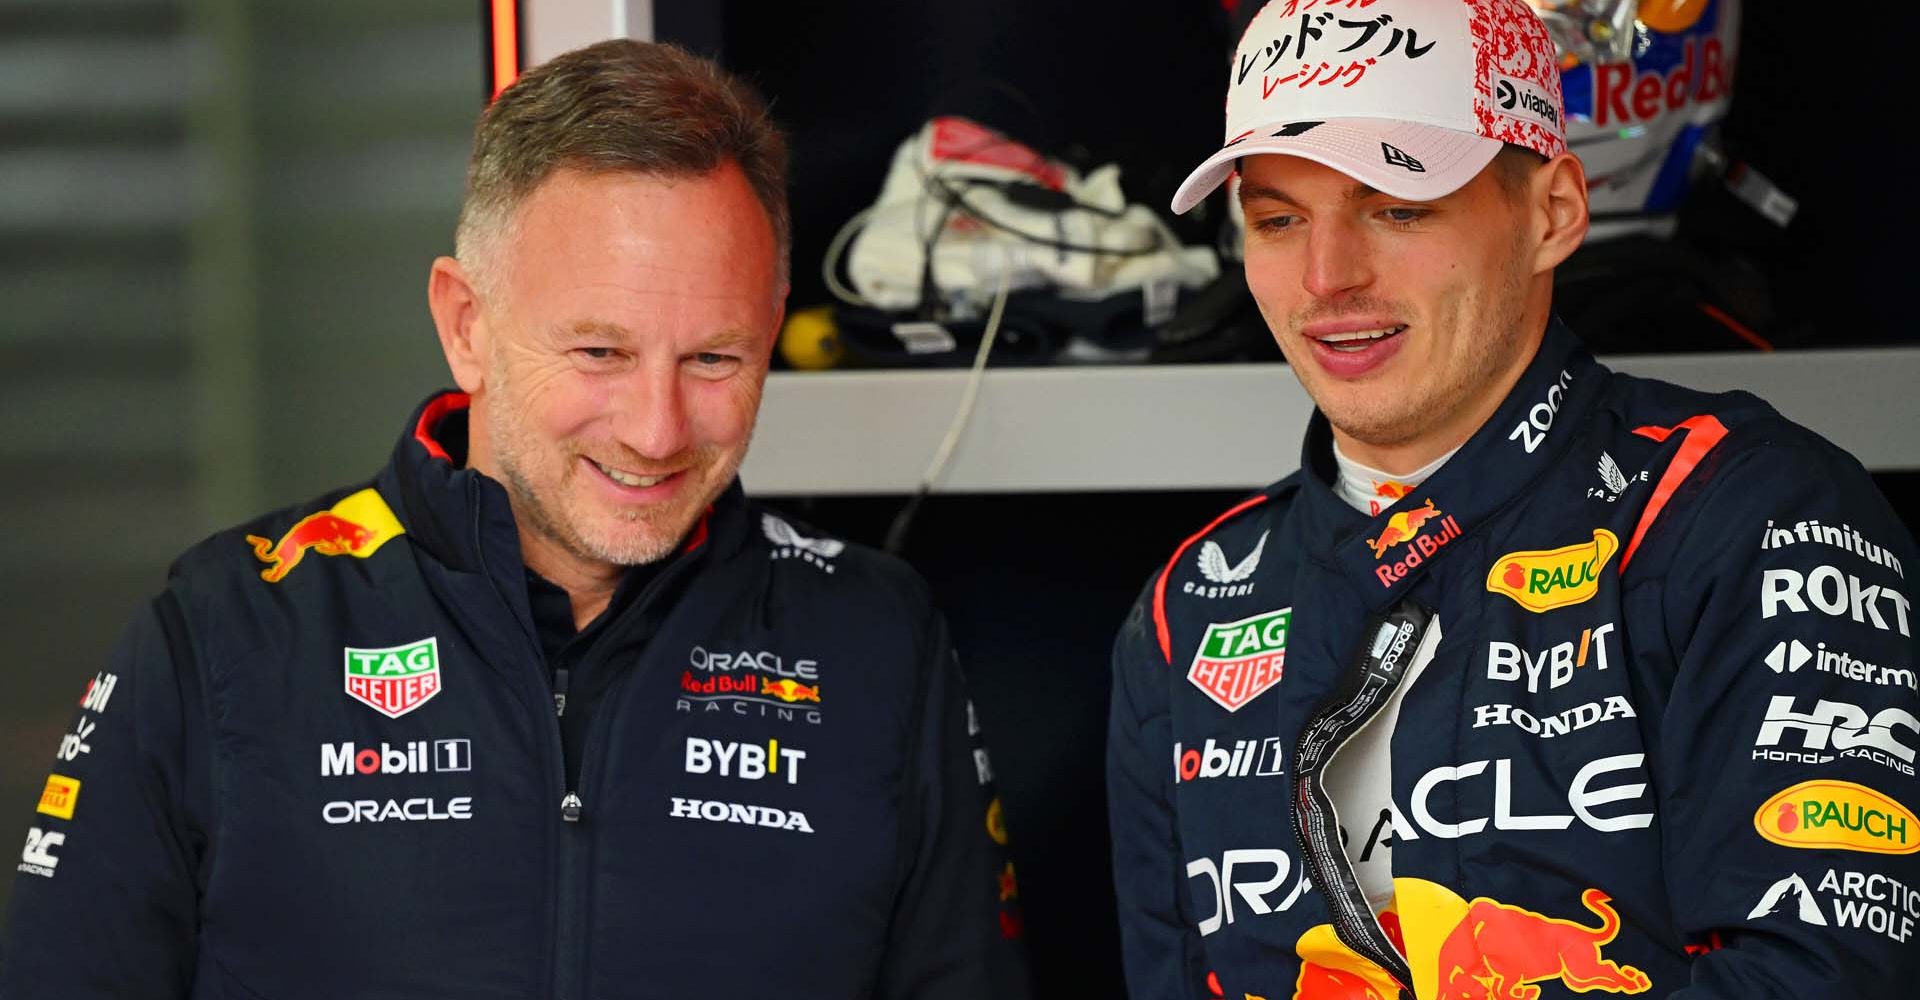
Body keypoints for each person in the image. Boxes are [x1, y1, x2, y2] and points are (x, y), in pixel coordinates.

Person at [2, 40, 1026, 1000]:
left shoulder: (878, 646)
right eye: (599, 353)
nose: (658, 429)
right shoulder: (226, 631)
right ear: (467, 326)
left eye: (715, 357)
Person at [1108, 2, 1919, 998]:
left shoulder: (1749, 516)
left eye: (1398, 208)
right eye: (1278, 220)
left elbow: (1826, 980)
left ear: (1552, 213)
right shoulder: (1186, 610)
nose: (1328, 278)